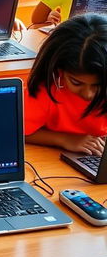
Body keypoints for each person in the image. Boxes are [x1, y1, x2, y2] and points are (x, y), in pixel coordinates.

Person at [25, 14, 107, 155]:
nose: (88, 94)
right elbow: (16, 130)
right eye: (76, 82)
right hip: (57, 159)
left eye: (99, 85)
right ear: (59, 71)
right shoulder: (46, 88)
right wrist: (64, 139)